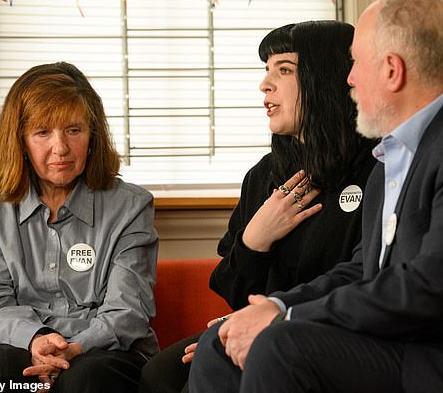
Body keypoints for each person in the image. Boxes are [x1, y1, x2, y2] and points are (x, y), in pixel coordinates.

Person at [189, 0, 443, 393]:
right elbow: (364, 270)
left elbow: (432, 288)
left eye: (356, 63)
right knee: (220, 344)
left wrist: (285, 320)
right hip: (414, 350)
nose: (350, 80)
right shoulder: (393, 159)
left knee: (281, 344)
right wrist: (278, 304)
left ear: (392, 70)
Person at [139, 21, 376, 392]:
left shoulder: (374, 168)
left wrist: (266, 320)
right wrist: (254, 241)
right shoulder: (262, 176)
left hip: (328, 337)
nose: (265, 84)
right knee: (161, 374)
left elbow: (364, 280)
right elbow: (235, 291)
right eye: (266, 71)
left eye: (284, 70)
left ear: (327, 78)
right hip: (258, 327)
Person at [0, 62, 159, 393]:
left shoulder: (131, 206)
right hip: (13, 346)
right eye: (43, 132)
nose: (60, 148)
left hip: (103, 353)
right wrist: (35, 339)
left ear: (92, 136)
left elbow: (128, 310)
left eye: (73, 130)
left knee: (87, 376)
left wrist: (74, 348)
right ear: (20, 140)